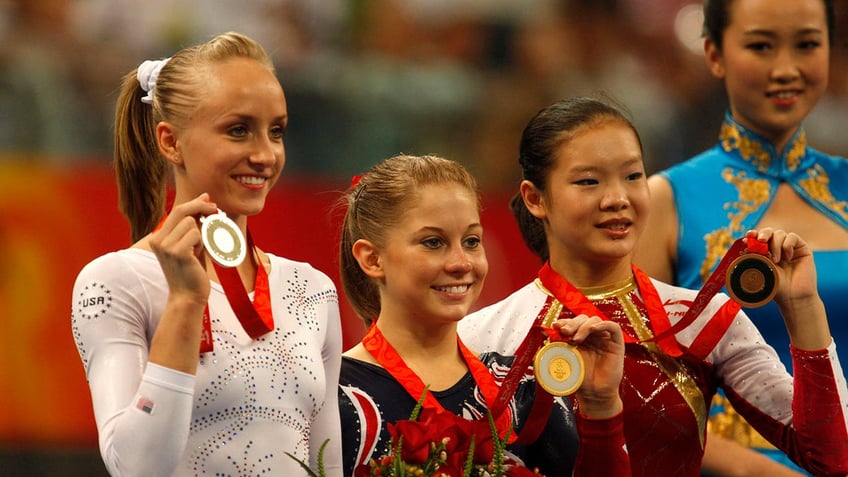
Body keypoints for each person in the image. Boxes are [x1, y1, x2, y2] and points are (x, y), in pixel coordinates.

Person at [458, 96, 848, 477]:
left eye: (633, 176)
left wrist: (803, 306)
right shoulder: (483, 335)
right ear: (535, 198)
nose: (617, 198)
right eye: (589, 181)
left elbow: (833, 457)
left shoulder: (704, 322)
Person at [70, 32, 343, 476]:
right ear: (171, 142)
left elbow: (327, 464)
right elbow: (135, 468)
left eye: (276, 131)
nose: (265, 154)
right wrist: (183, 303)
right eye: (239, 130)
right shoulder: (117, 281)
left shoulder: (312, 290)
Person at [632, 0, 848, 474]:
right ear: (714, 53)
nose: (786, 68)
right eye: (761, 45)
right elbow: (638, 394)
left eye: (807, 44)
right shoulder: (662, 202)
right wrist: (757, 470)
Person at [336, 154, 631, 476]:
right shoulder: (334, 393)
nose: (462, 263)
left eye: (472, 241)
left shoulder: (522, 387)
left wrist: (601, 406)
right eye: (433, 242)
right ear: (373, 259)